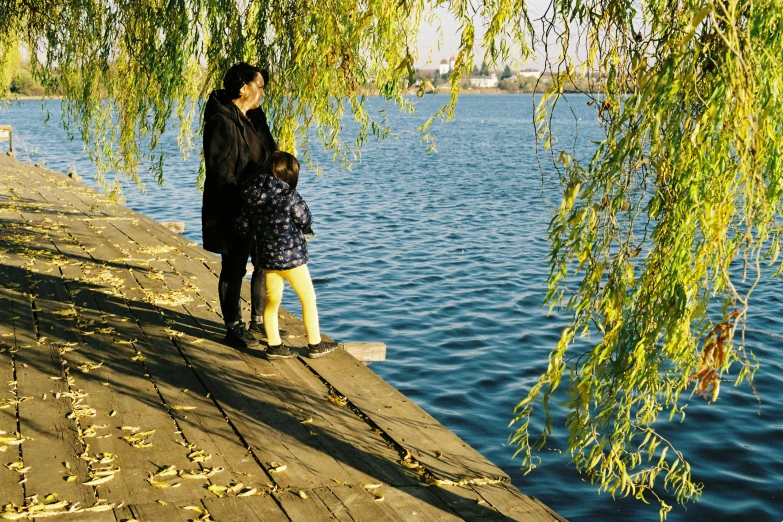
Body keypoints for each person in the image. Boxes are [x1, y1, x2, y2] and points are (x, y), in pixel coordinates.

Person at [202, 62, 277, 349]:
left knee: (262, 261)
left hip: (260, 204)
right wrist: (245, 199)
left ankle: (258, 322)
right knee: (234, 266)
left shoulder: (256, 118)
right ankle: (233, 327)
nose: (262, 94)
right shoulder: (220, 121)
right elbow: (220, 171)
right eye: (259, 87)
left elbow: (271, 152)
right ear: (243, 87)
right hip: (231, 206)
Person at [237, 151, 338, 360]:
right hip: (293, 259)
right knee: (308, 298)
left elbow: (242, 225)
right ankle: (315, 344)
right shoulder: (289, 196)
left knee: (272, 301)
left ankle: (274, 346)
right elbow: (305, 219)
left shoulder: (252, 195)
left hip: (267, 258)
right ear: (289, 176)